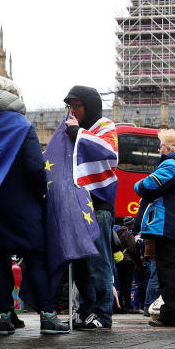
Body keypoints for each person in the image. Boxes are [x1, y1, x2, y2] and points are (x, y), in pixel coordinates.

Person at [0, 77, 68, 335]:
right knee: (36, 257)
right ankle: (47, 317)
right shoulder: (20, 124)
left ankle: (1, 319)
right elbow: (36, 167)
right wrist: (39, 195)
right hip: (22, 206)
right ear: (13, 96)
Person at [62, 85, 118, 331]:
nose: (73, 111)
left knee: (98, 263)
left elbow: (108, 151)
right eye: (70, 106)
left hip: (97, 206)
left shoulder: (105, 127)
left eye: (78, 105)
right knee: (81, 265)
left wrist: (77, 133)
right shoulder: (73, 129)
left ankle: (103, 314)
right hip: (76, 206)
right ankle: (86, 311)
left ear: (90, 105)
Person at [134, 129, 175, 327]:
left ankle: (171, 315)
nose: (158, 148)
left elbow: (145, 186)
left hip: (167, 226)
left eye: (160, 145)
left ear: (168, 148)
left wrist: (139, 184)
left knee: (167, 272)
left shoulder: (171, 164)